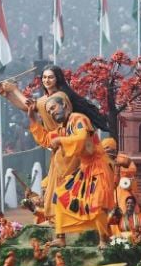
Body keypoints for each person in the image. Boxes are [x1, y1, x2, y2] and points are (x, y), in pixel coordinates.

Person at [27, 92, 115, 247]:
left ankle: (104, 240)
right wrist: (33, 119)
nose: (52, 112)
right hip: (84, 169)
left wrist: (61, 141)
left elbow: (81, 139)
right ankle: (60, 238)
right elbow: (47, 139)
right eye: (49, 111)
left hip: (98, 167)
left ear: (65, 105)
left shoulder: (79, 119)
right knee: (60, 196)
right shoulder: (63, 128)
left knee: (97, 204)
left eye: (53, 108)